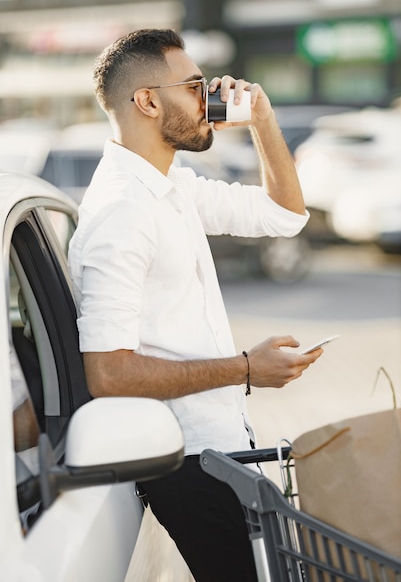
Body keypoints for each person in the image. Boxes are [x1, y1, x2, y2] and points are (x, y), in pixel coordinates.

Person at [68, 28, 323, 582]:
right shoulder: (122, 211)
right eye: (195, 86)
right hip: (185, 463)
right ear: (148, 100)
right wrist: (247, 368)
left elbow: (286, 215)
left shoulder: (171, 186)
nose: (209, 98)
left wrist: (262, 120)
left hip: (219, 450)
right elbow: (108, 373)